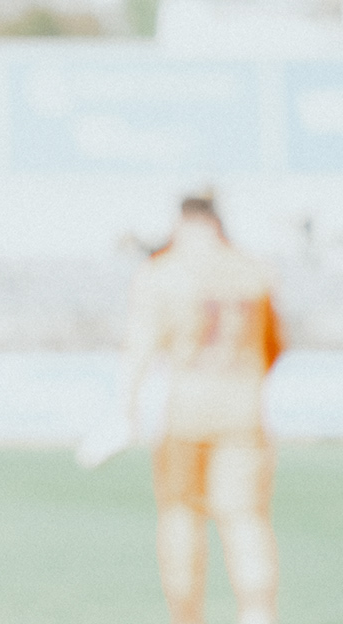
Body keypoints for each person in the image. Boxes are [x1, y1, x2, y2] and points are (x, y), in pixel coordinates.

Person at [125, 193, 283, 624]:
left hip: (185, 415)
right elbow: (274, 345)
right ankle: (258, 615)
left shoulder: (163, 272)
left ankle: (187, 616)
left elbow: (140, 346)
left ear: (181, 224)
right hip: (244, 414)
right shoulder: (254, 270)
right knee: (246, 519)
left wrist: (127, 409)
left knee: (181, 517)